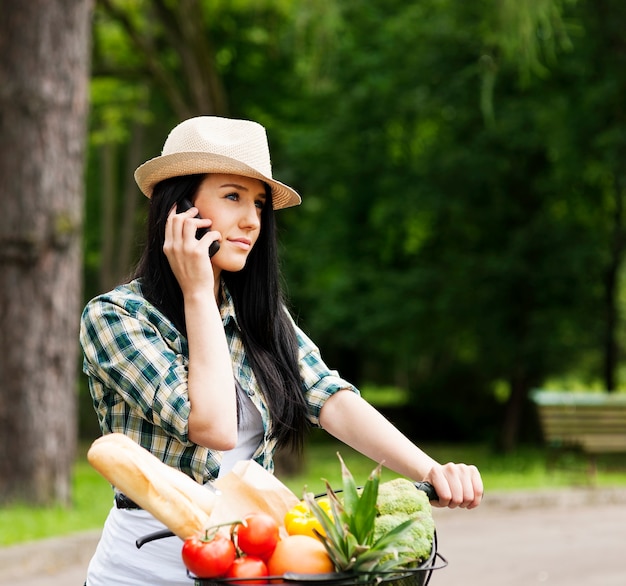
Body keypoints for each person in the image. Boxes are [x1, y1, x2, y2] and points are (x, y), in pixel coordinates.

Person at [80, 116, 483, 586]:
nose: (252, 220)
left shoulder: (261, 316)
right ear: (179, 207)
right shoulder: (116, 318)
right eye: (232, 196)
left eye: (258, 204)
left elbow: (331, 399)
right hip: (145, 573)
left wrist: (432, 470)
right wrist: (196, 293)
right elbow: (214, 427)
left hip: (255, 567)